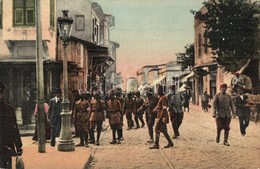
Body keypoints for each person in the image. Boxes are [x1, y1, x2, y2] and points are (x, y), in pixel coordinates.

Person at [0, 81, 23, 168]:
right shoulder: (9, 108)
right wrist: (19, 146)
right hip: (7, 146)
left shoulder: (9, 108)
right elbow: (14, 129)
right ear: (3, 93)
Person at [149, 85, 173, 149]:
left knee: (157, 129)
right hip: (161, 116)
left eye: (158, 90)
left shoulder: (163, 98)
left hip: (162, 116)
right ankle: (170, 142)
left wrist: (161, 118)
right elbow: (158, 106)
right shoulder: (161, 97)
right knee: (164, 131)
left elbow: (164, 108)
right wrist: (154, 110)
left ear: (160, 91)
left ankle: (156, 144)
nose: (157, 91)